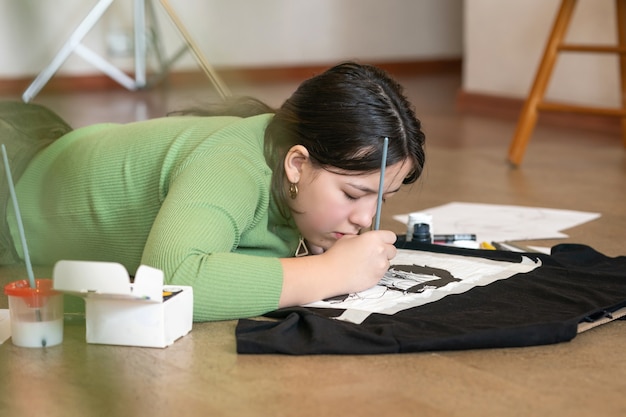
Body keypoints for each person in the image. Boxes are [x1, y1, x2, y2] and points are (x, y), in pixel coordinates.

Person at [1, 62, 426, 321]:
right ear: (297, 163)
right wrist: (331, 273)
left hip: (48, 143)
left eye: (380, 200)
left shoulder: (285, 168)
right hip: (10, 178)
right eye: (353, 195)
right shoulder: (233, 162)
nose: (362, 218)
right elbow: (173, 279)